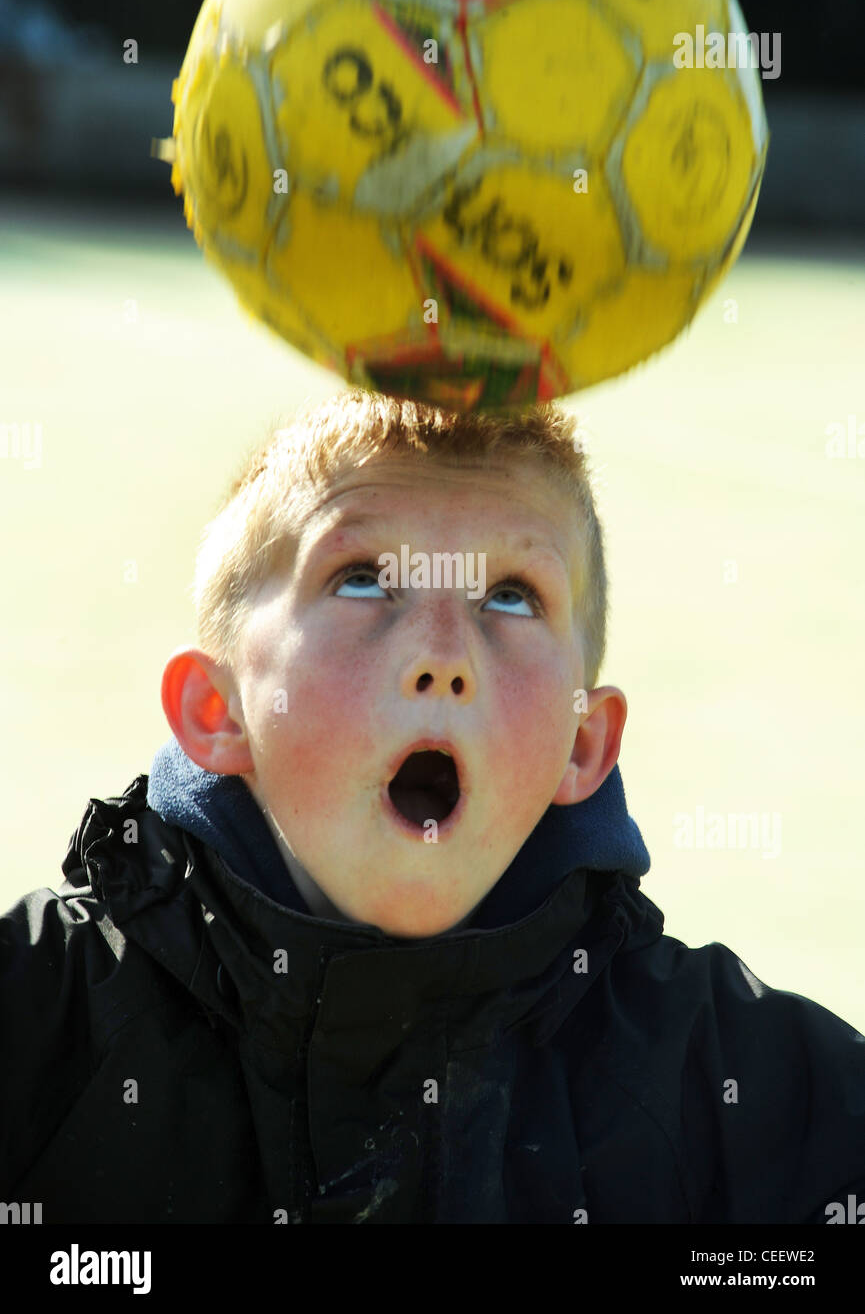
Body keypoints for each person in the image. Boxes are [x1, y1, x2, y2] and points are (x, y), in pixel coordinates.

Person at [2, 388, 863, 1223]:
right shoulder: (41, 1024)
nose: (443, 658)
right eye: (365, 581)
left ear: (582, 745)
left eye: (510, 595)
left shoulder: (751, 1095)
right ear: (215, 712)